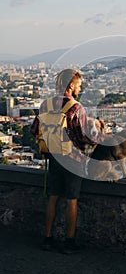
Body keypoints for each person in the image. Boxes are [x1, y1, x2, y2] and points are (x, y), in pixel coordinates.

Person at [40, 69, 94, 254]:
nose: (80, 88)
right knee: (72, 200)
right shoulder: (76, 107)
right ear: (71, 85)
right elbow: (83, 137)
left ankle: (47, 238)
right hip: (72, 160)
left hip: (53, 158)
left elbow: (35, 130)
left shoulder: (45, 105)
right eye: (79, 85)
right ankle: (69, 243)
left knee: (52, 198)